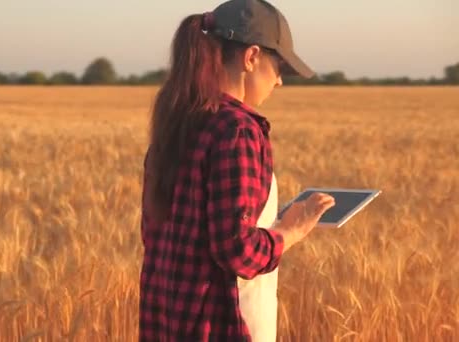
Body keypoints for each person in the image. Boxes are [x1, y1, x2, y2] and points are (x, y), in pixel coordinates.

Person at [138, 0, 336, 341]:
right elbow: (236, 250)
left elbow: (156, 234)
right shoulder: (237, 129)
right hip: (223, 324)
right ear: (251, 57)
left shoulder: (178, 121)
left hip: (168, 322)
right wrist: (291, 231)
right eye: (279, 68)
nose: (279, 83)